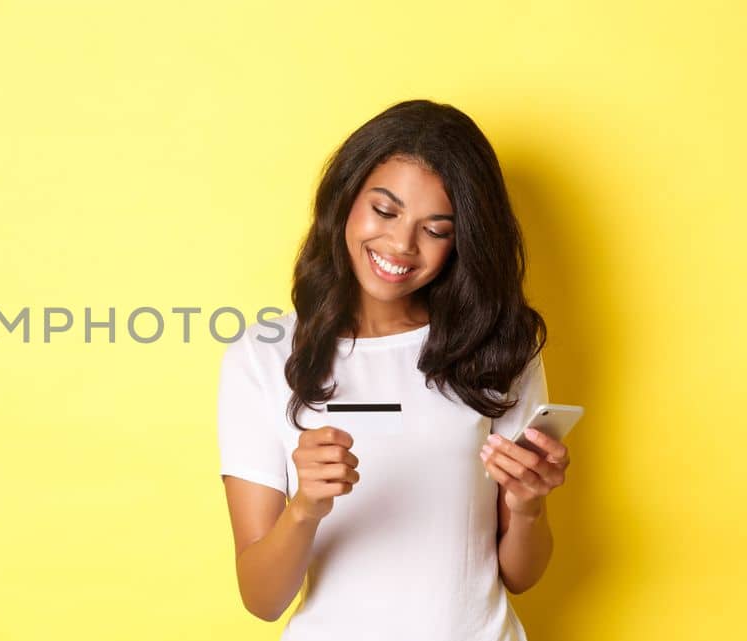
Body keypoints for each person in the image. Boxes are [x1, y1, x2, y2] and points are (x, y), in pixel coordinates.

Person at [216, 99, 571, 640]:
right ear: (347, 200)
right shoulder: (262, 358)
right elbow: (261, 599)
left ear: (463, 241)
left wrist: (527, 509)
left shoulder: (500, 348)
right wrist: (306, 508)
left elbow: (520, 576)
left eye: (437, 229)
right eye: (385, 211)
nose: (402, 245)